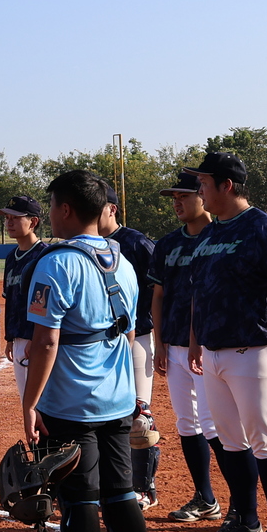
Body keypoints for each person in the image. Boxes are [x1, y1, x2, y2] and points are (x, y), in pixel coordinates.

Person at [18, 169, 156, 532]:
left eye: (53, 204)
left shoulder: (57, 264)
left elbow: (46, 343)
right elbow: (131, 335)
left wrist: (29, 402)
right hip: (118, 402)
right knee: (120, 493)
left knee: (80, 501)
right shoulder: (125, 264)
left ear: (66, 209)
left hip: (72, 402)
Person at [186, 151, 267, 532]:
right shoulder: (210, 235)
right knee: (230, 442)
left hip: (253, 350)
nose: (199, 189)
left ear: (226, 185)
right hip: (214, 354)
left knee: (263, 441)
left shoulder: (263, 228)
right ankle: (245, 518)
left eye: (203, 183)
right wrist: (196, 339)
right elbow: (200, 294)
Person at [150, 172, 222, 522]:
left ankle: (240, 504)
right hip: (174, 345)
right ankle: (204, 497)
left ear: (203, 195)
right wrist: (159, 342)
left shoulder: (219, 238)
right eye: (173, 196)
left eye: (183, 195)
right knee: (186, 423)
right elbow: (158, 295)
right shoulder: (167, 244)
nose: (176, 202)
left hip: (209, 347)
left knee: (214, 424)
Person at [101, 186, 160, 509]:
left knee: (139, 417)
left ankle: (145, 489)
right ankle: (113, 483)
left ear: (112, 209)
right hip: (103, 343)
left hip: (138, 338)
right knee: (107, 413)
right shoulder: (88, 246)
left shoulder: (136, 243)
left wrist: (143, 320)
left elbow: (159, 287)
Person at [0, 194, 51, 403]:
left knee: (42, 401)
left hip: (39, 339)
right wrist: (10, 339)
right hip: (19, 339)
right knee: (26, 400)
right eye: (7, 218)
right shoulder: (12, 257)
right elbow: (10, 301)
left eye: (15, 217)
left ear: (33, 222)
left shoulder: (45, 255)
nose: (9, 222)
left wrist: (37, 338)